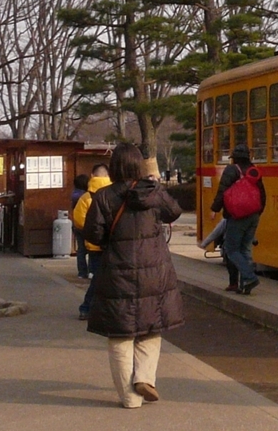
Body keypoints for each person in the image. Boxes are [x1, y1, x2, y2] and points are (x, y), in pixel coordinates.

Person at [83, 142, 183, 409]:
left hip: (118, 271)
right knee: (151, 327)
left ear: (114, 167)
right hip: (155, 271)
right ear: (139, 166)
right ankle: (145, 377)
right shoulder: (152, 192)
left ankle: (130, 398)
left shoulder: (103, 196)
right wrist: (156, 185)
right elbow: (174, 212)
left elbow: (92, 234)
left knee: (121, 334)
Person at [210, 143, 266, 295]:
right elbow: (262, 194)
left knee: (231, 249)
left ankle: (249, 277)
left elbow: (222, 190)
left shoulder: (231, 170)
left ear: (234, 158)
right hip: (253, 215)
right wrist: (258, 213)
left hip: (237, 215)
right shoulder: (254, 171)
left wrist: (215, 209)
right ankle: (243, 285)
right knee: (245, 249)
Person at [73, 166, 110, 319]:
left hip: (95, 246)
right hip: (113, 245)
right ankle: (94, 308)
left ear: (92, 175)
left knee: (98, 278)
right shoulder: (114, 195)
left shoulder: (86, 198)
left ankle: (87, 308)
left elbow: (79, 221)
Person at [71, 172, 91, 279]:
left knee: (81, 250)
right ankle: (90, 271)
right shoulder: (85, 196)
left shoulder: (74, 194)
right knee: (91, 249)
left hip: (76, 225)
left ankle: (82, 272)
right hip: (85, 224)